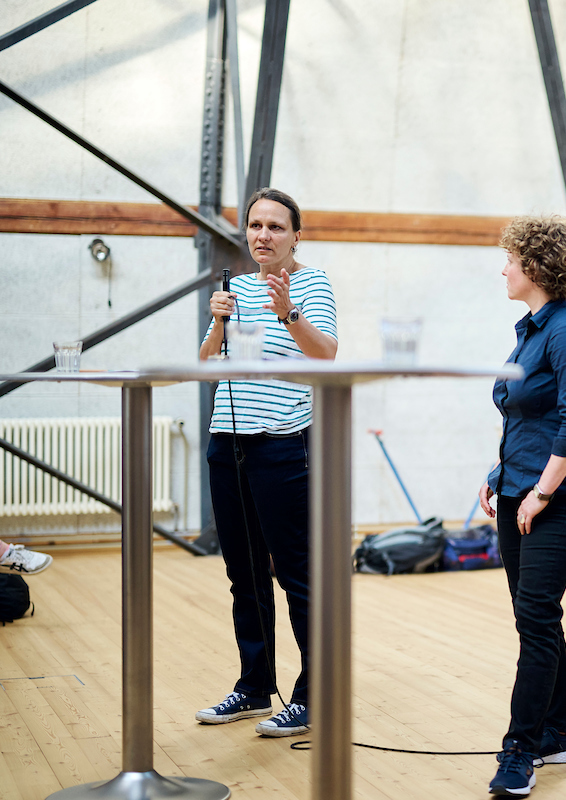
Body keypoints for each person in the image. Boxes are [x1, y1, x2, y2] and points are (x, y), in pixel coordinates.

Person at [195, 188, 338, 738]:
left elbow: (325, 355)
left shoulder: (311, 282)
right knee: (244, 575)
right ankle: (255, 686)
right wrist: (216, 325)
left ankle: (314, 693)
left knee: (296, 573)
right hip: (226, 441)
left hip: (281, 443)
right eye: (255, 225)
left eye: (276, 227)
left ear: (295, 236)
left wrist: (288, 312)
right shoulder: (232, 288)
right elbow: (205, 363)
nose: (263, 235)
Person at [477, 214, 566, 796]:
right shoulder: (530, 329)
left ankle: (520, 749)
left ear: (534, 266)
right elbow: (526, 416)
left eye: (510, 258)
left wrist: (542, 492)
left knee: (534, 620)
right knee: (538, 621)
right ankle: (562, 734)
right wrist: (497, 475)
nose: (503, 267)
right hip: (516, 492)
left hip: (562, 499)